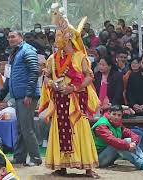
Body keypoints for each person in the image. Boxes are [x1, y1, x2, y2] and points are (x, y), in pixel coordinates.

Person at [38, 3, 99, 177]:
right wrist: (52, 85)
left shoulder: (81, 57)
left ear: (69, 37)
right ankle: (62, 166)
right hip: (59, 99)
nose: (58, 39)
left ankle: (88, 167)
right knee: (60, 128)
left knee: (80, 128)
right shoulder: (52, 58)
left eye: (61, 35)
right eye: (57, 35)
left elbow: (89, 77)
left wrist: (73, 87)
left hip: (76, 101)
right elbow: (47, 77)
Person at [0, 31, 42, 167]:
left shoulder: (27, 50)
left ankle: (36, 158)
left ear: (20, 37)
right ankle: (19, 157)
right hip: (19, 95)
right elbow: (9, 79)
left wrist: (29, 94)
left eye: (13, 36)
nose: (10, 39)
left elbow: (35, 71)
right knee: (21, 127)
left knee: (27, 127)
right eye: (9, 37)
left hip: (27, 96)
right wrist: (0, 97)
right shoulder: (13, 54)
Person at [92, 105, 143, 171]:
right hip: (98, 159)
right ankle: (141, 164)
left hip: (109, 156)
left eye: (119, 115)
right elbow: (112, 140)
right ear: (109, 113)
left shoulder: (117, 124)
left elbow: (132, 134)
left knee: (129, 140)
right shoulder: (101, 125)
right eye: (114, 114)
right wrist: (128, 146)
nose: (116, 117)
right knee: (117, 145)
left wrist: (133, 143)